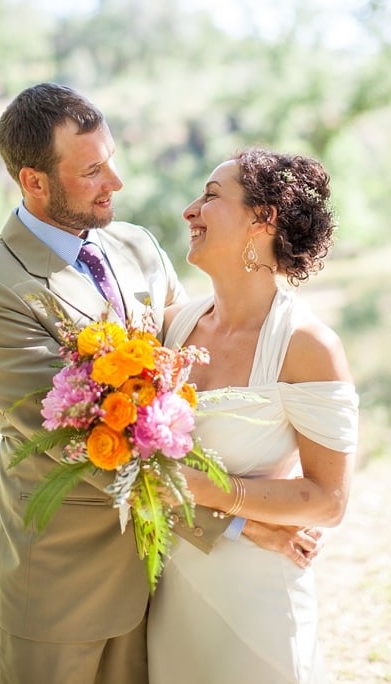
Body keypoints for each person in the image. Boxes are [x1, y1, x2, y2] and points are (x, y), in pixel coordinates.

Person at [0, 83, 323, 684]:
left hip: (166, 580)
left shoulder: (139, 247)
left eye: (112, 158)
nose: (115, 182)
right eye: (93, 170)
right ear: (34, 182)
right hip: (62, 588)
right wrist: (237, 519)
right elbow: (71, 443)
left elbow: (191, 373)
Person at [147, 148, 359, 684]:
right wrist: (244, 522)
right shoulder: (170, 329)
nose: (189, 210)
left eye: (212, 196)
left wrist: (203, 488)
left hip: (259, 603)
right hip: (170, 588)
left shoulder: (308, 345)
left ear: (263, 220)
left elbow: (328, 502)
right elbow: (137, 469)